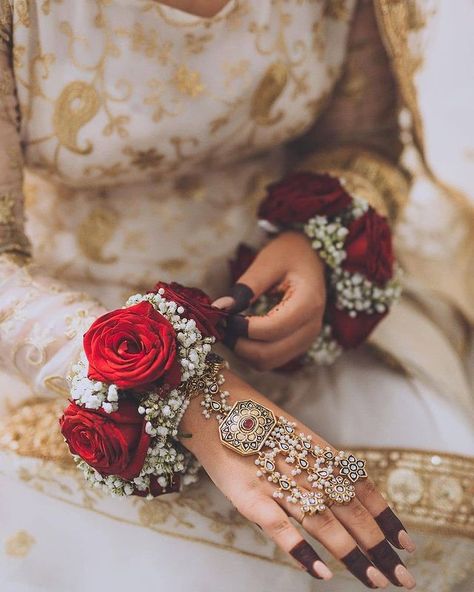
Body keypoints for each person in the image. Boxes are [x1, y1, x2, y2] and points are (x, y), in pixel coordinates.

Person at [0, 1, 473, 590]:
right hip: (59, 333)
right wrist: (190, 390)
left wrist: (312, 238)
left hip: (291, 313)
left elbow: (360, 142)